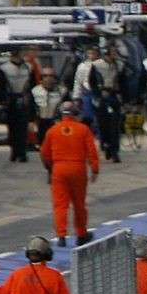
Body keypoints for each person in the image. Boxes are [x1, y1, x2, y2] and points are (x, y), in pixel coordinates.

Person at [40, 101, 100, 246]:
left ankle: (61, 236)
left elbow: (44, 153)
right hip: (78, 168)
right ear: (75, 113)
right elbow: (91, 151)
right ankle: (81, 234)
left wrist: (50, 167)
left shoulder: (53, 130)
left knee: (60, 204)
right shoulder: (83, 129)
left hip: (59, 169)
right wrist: (94, 169)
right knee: (79, 204)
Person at [0, 46, 39, 162]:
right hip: (10, 100)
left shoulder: (29, 68)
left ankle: (22, 152)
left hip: (24, 98)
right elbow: (0, 88)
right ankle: (14, 151)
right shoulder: (5, 68)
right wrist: (1, 103)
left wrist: (34, 100)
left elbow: (33, 86)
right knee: (12, 127)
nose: (17, 57)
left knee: (23, 127)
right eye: (14, 55)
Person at [94, 76, 123, 164]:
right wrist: (99, 93)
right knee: (104, 128)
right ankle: (106, 146)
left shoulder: (117, 66)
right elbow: (92, 83)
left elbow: (123, 82)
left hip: (114, 100)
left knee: (114, 129)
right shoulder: (96, 68)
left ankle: (115, 151)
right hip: (101, 102)